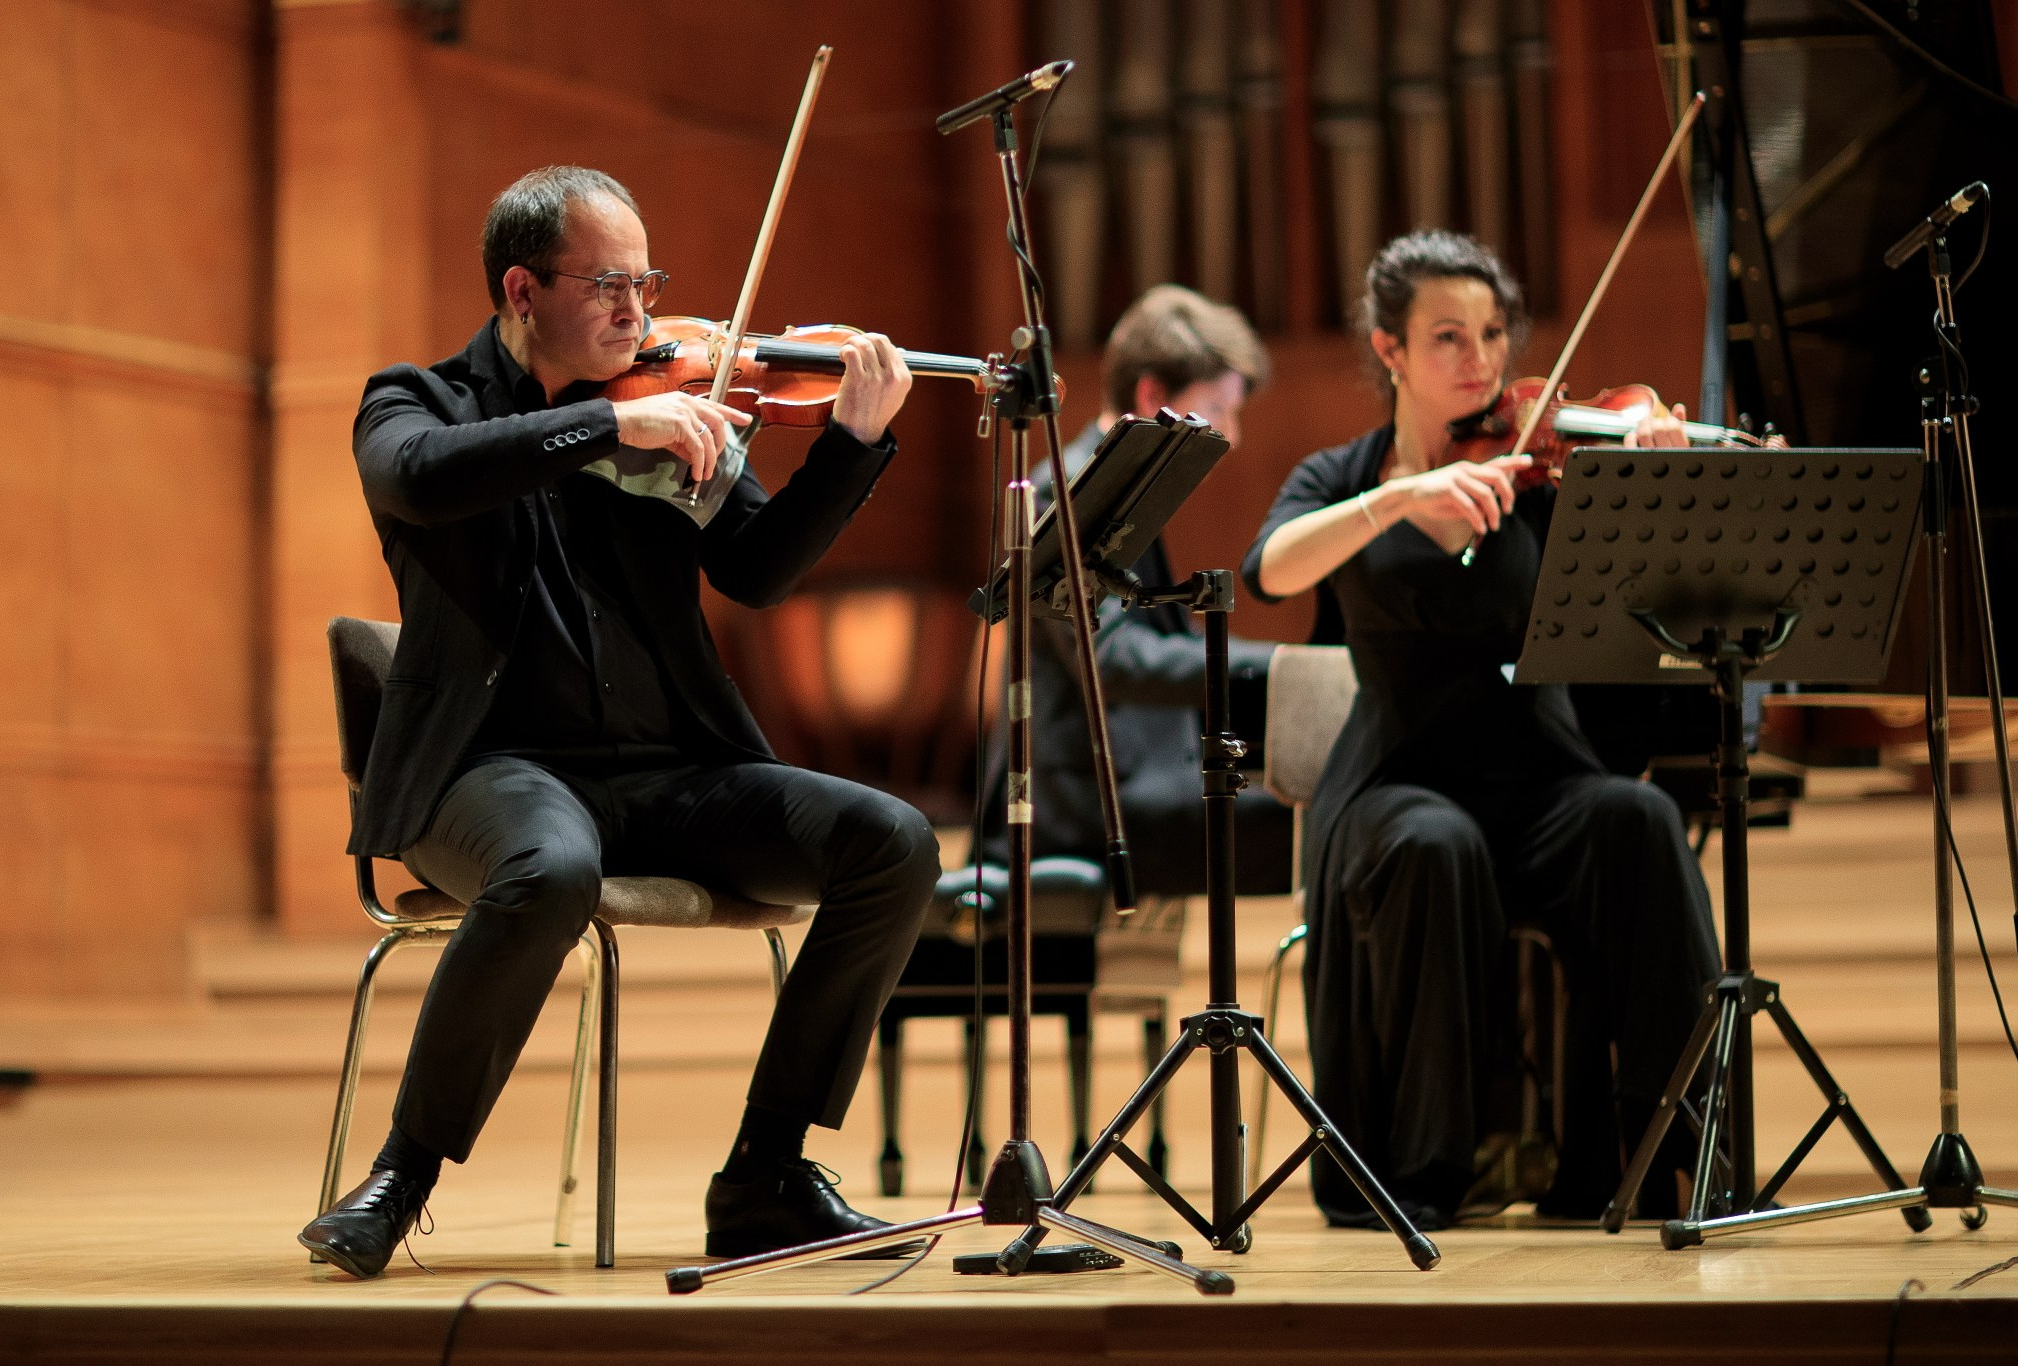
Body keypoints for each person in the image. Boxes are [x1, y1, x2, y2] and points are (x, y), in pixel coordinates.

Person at [298, 166, 939, 1278]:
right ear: (520, 289)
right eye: (607, 285)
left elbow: (755, 569)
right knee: (551, 869)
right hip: (487, 772)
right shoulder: (421, 400)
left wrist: (850, 444)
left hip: (670, 774)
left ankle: (764, 1176)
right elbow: (415, 480)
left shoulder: (671, 412)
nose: (637, 312)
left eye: (644, 283)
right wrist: (603, 422)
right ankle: (401, 1175)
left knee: (891, 840)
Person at [1239, 230, 1720, 1230]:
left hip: (1537, 777)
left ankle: (1664, 1152)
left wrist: (1651, 493)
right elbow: (1271, 567)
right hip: (1393, 782)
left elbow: (1650, 611)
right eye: (1448, 336)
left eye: (1492, 333)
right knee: (1433, 842)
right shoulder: (1347, 475)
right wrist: (1395, 499)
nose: (1480, 361)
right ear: (1390, 352)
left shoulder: (1544, 469)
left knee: (1634, 820)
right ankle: (1424, 1170)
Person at [977, 285, 1294, 894]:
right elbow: (1112, 657)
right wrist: (1282, 667)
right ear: (1152, 395)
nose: (1231, 434)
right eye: (1218, 408)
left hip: (1138, 781)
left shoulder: (1119, 484)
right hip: (1083, 808)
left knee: (1320, 798)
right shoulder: (1064, 491)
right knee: (1317, 818)